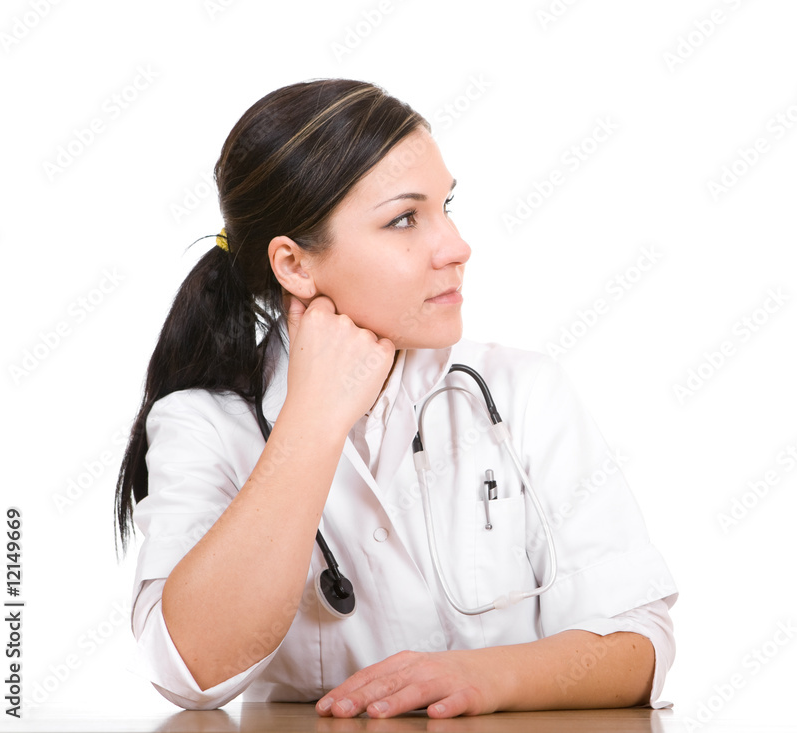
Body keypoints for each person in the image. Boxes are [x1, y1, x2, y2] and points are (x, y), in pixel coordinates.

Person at [114, 78, 678, 719]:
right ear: (294, 265)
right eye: (405, 219)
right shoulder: (202, 423)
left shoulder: (521, 391)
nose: (457, 247)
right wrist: (313, 421)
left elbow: (640, 644)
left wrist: (487, 677)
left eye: (447, 205)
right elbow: (189, 672)